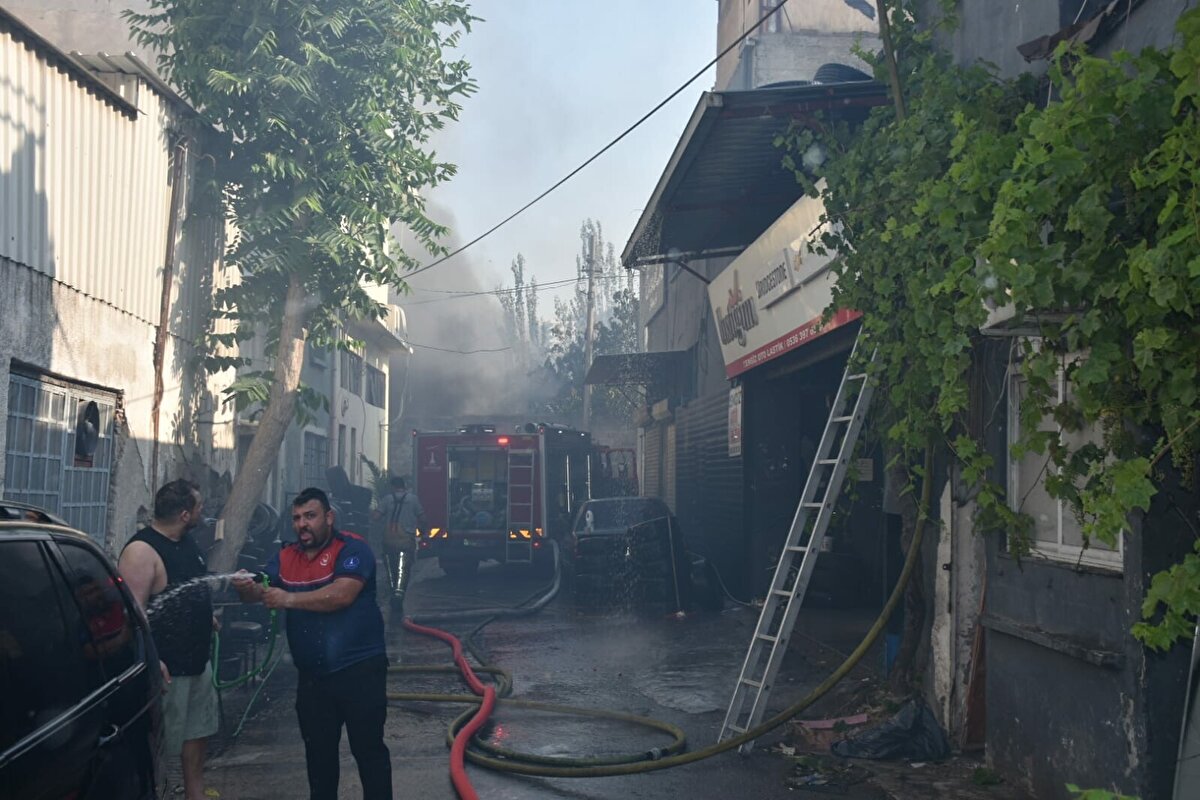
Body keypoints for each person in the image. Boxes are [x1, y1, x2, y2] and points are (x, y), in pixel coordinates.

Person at [233, 487, 391, 800]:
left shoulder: (352, 549)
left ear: (329, 518)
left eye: (310, 516)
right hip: (314, 679)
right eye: (297, 518)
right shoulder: (285, 556)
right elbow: (259, 591)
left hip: (359, 672)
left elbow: (342, 595)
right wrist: (245, 586)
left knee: (368, 750)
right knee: (318, 758)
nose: (303, 524)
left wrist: (287, 598)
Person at [118, 479, 217, 800]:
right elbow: (132, 615)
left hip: (198, 665)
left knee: (196, 740)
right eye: (200, 506)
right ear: (185, 514)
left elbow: (182, 591)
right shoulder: (141, 551)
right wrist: (151, 657)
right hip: (168, 673)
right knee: (158, 753)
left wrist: (206, 617)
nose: (204, 511)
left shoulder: (186, 542)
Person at [373, 476, 427, 614]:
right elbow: (422, 518)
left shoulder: (387, 499)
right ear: (404, 486)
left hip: (389, 541)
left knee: (391, 570)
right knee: (403, 570)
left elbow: (376, 517)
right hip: (406, 541)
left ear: (392, 486)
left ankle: (393, 594)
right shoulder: (413, 499)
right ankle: (399, 595)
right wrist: (421, 530)